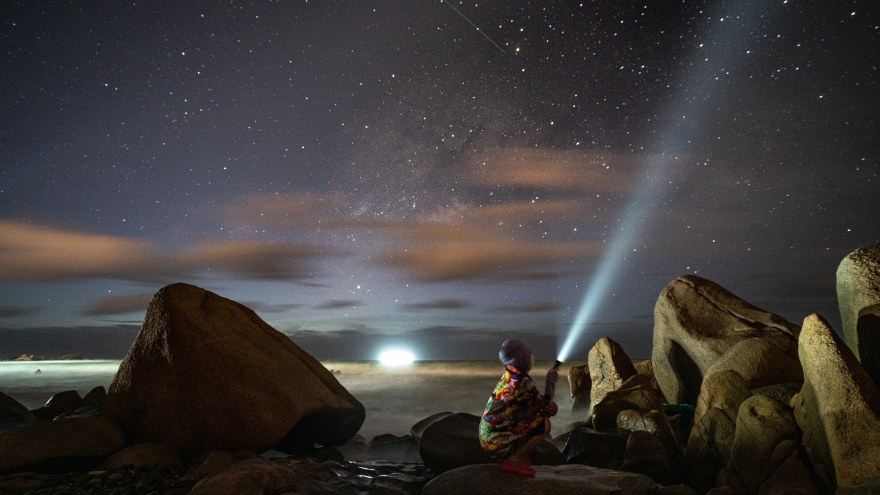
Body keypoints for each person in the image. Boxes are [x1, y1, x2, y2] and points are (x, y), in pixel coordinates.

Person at [479, 338, 559, 476]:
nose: (532, 357)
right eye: (529, 354)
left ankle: (510, 457)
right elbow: (545, 408)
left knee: (531, 418)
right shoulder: (522, 381)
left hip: (486, 438)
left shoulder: (508, 374)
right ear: (522, 357)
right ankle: (512, 460)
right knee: (544, 424)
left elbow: (526, 405)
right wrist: (551, 381)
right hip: (495, 445)